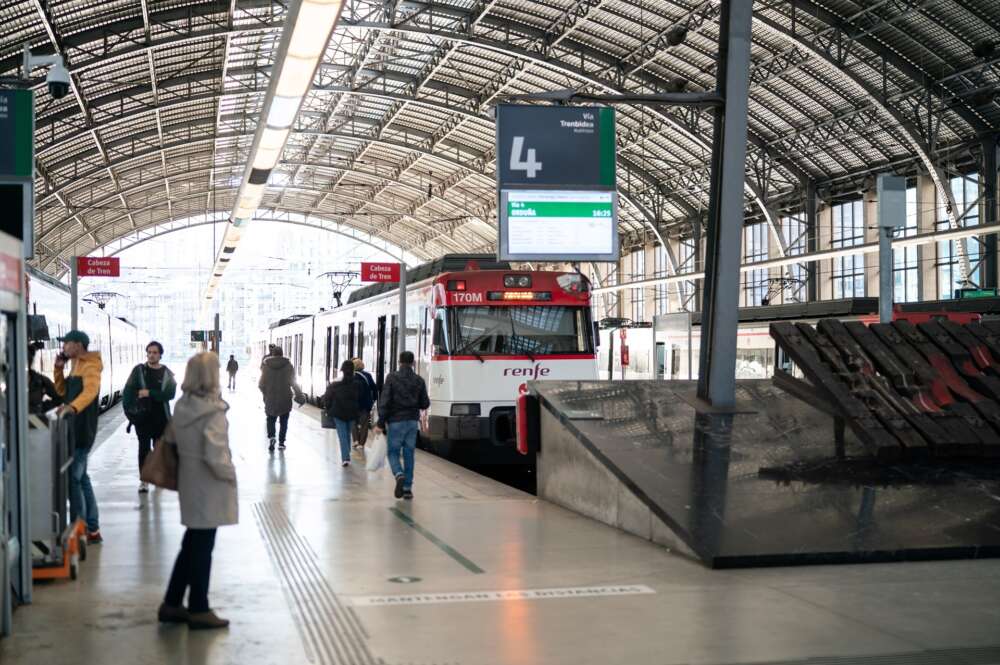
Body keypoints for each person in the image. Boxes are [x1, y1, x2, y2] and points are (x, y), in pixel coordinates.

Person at [158, 352, 237, 630]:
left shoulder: (183, 406)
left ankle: (172, 602)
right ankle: (199, 608)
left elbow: (171, 440)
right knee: (203, 548)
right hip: (210, 485)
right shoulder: (212, 412)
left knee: (191, 543)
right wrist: (231, 475)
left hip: (190, 482)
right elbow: (217, 456)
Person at [53, 330, 104, 544]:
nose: (64, 347)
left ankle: (80, 526)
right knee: (82, 478)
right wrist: (58, 368)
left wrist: (73, 408)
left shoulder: (90, 365)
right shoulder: (75, 365)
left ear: (78, 345)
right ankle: (92, 528)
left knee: (74, 478)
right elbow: (62, 391)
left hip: (83, 429)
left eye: (67, 343)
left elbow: (90, 392)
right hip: (73, 427)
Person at [122, 341, 177, 493]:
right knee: (144, 449)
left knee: (159, 450)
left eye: (155, 352)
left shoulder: (167, 373)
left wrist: (150, 393)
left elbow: (170, 394)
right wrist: (130, 413)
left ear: (160, 355)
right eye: (149, 352)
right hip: (142, 418)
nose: (151, 355)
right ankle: (144, 480)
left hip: (161, 418)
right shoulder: (138, 371)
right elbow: (128, 392)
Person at [376, 351, 430, 500]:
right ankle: (407, 488)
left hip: (396, 422)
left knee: (393, 452)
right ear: (413, 363)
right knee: (409, 454)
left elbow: (385, 401)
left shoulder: (392, 378)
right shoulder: (419, 380)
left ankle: (399, 474)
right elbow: (425, 403)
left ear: (399, 362)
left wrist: (380, 422)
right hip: (412, 422)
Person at [258, 346, 303, 452]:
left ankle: (272, 437)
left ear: (272, 354)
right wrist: (299, 395)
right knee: (284, 421)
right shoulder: (288, 366)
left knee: (270, 419)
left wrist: (266, 394)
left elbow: (261, 384)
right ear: (282, 354)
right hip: (285, 398)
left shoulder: (266, 366)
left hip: (270, 398)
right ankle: (281, 443)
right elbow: (293, 382)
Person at [322, 360, 364, 467]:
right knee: (347, 433)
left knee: (342, 435)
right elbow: (360, 399)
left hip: (338, 413)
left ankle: (345, 458)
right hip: (352, 413)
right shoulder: (357, 384)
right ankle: (347, 453)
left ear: (342, 370)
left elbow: (327, 398)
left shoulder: (335, 383)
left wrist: (328, 408)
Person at [28, 342, 62, 415]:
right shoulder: (8, 381)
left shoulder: (40, 381)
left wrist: (41, 408)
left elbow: (59, 397)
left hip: (35, 423)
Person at [352, 358, 377, 450]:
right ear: (362, 365)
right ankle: (361, 444)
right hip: (365, 405)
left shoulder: (350, 375)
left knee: (353, 423)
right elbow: (374, 388)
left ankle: (355, 441)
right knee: (364, 425)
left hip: (353, 405)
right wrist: (373, 400)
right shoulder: (367, 375)